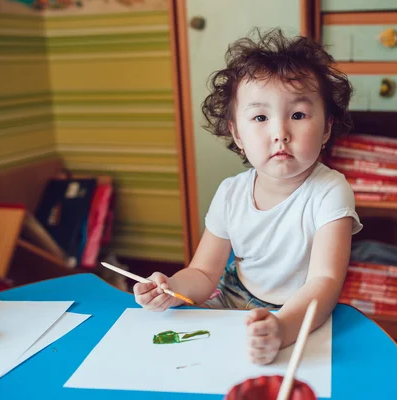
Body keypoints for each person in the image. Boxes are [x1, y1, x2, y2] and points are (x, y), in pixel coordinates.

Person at [134, 27, 362, 365]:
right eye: (260, 117)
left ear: (326, 127)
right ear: (237, 133)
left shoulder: (331, 191)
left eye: (298, 115)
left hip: (299, 313)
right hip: (231, 299)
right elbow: (203, 273)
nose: (280, 133)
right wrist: (170, 289)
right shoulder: (230, 192)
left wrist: (281, 328)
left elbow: (324, 283)